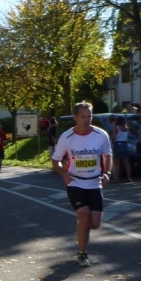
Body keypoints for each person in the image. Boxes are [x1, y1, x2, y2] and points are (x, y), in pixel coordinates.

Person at [51, 102, 112, 267]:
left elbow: (107, 155)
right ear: (75, 117)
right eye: (83, 117)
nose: (86, 120)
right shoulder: (66, 137)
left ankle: (83, 228)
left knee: (95, 224)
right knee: (84, 216)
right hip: (75, 183)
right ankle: (82, 253)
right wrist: (64, 174)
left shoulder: (101, 135)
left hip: (95, 184)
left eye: (89, 116)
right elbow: (55, 160)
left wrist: (107, 173)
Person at [110, 115, 133, 183]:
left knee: (117, 162)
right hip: (124, 144)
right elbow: (128, 136)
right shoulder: (126, 128)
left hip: (118, 144)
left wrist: (111, 139)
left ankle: (116, 178)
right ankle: (129, 177)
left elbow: (113, 137)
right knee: (126, 162)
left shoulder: (116, 128)